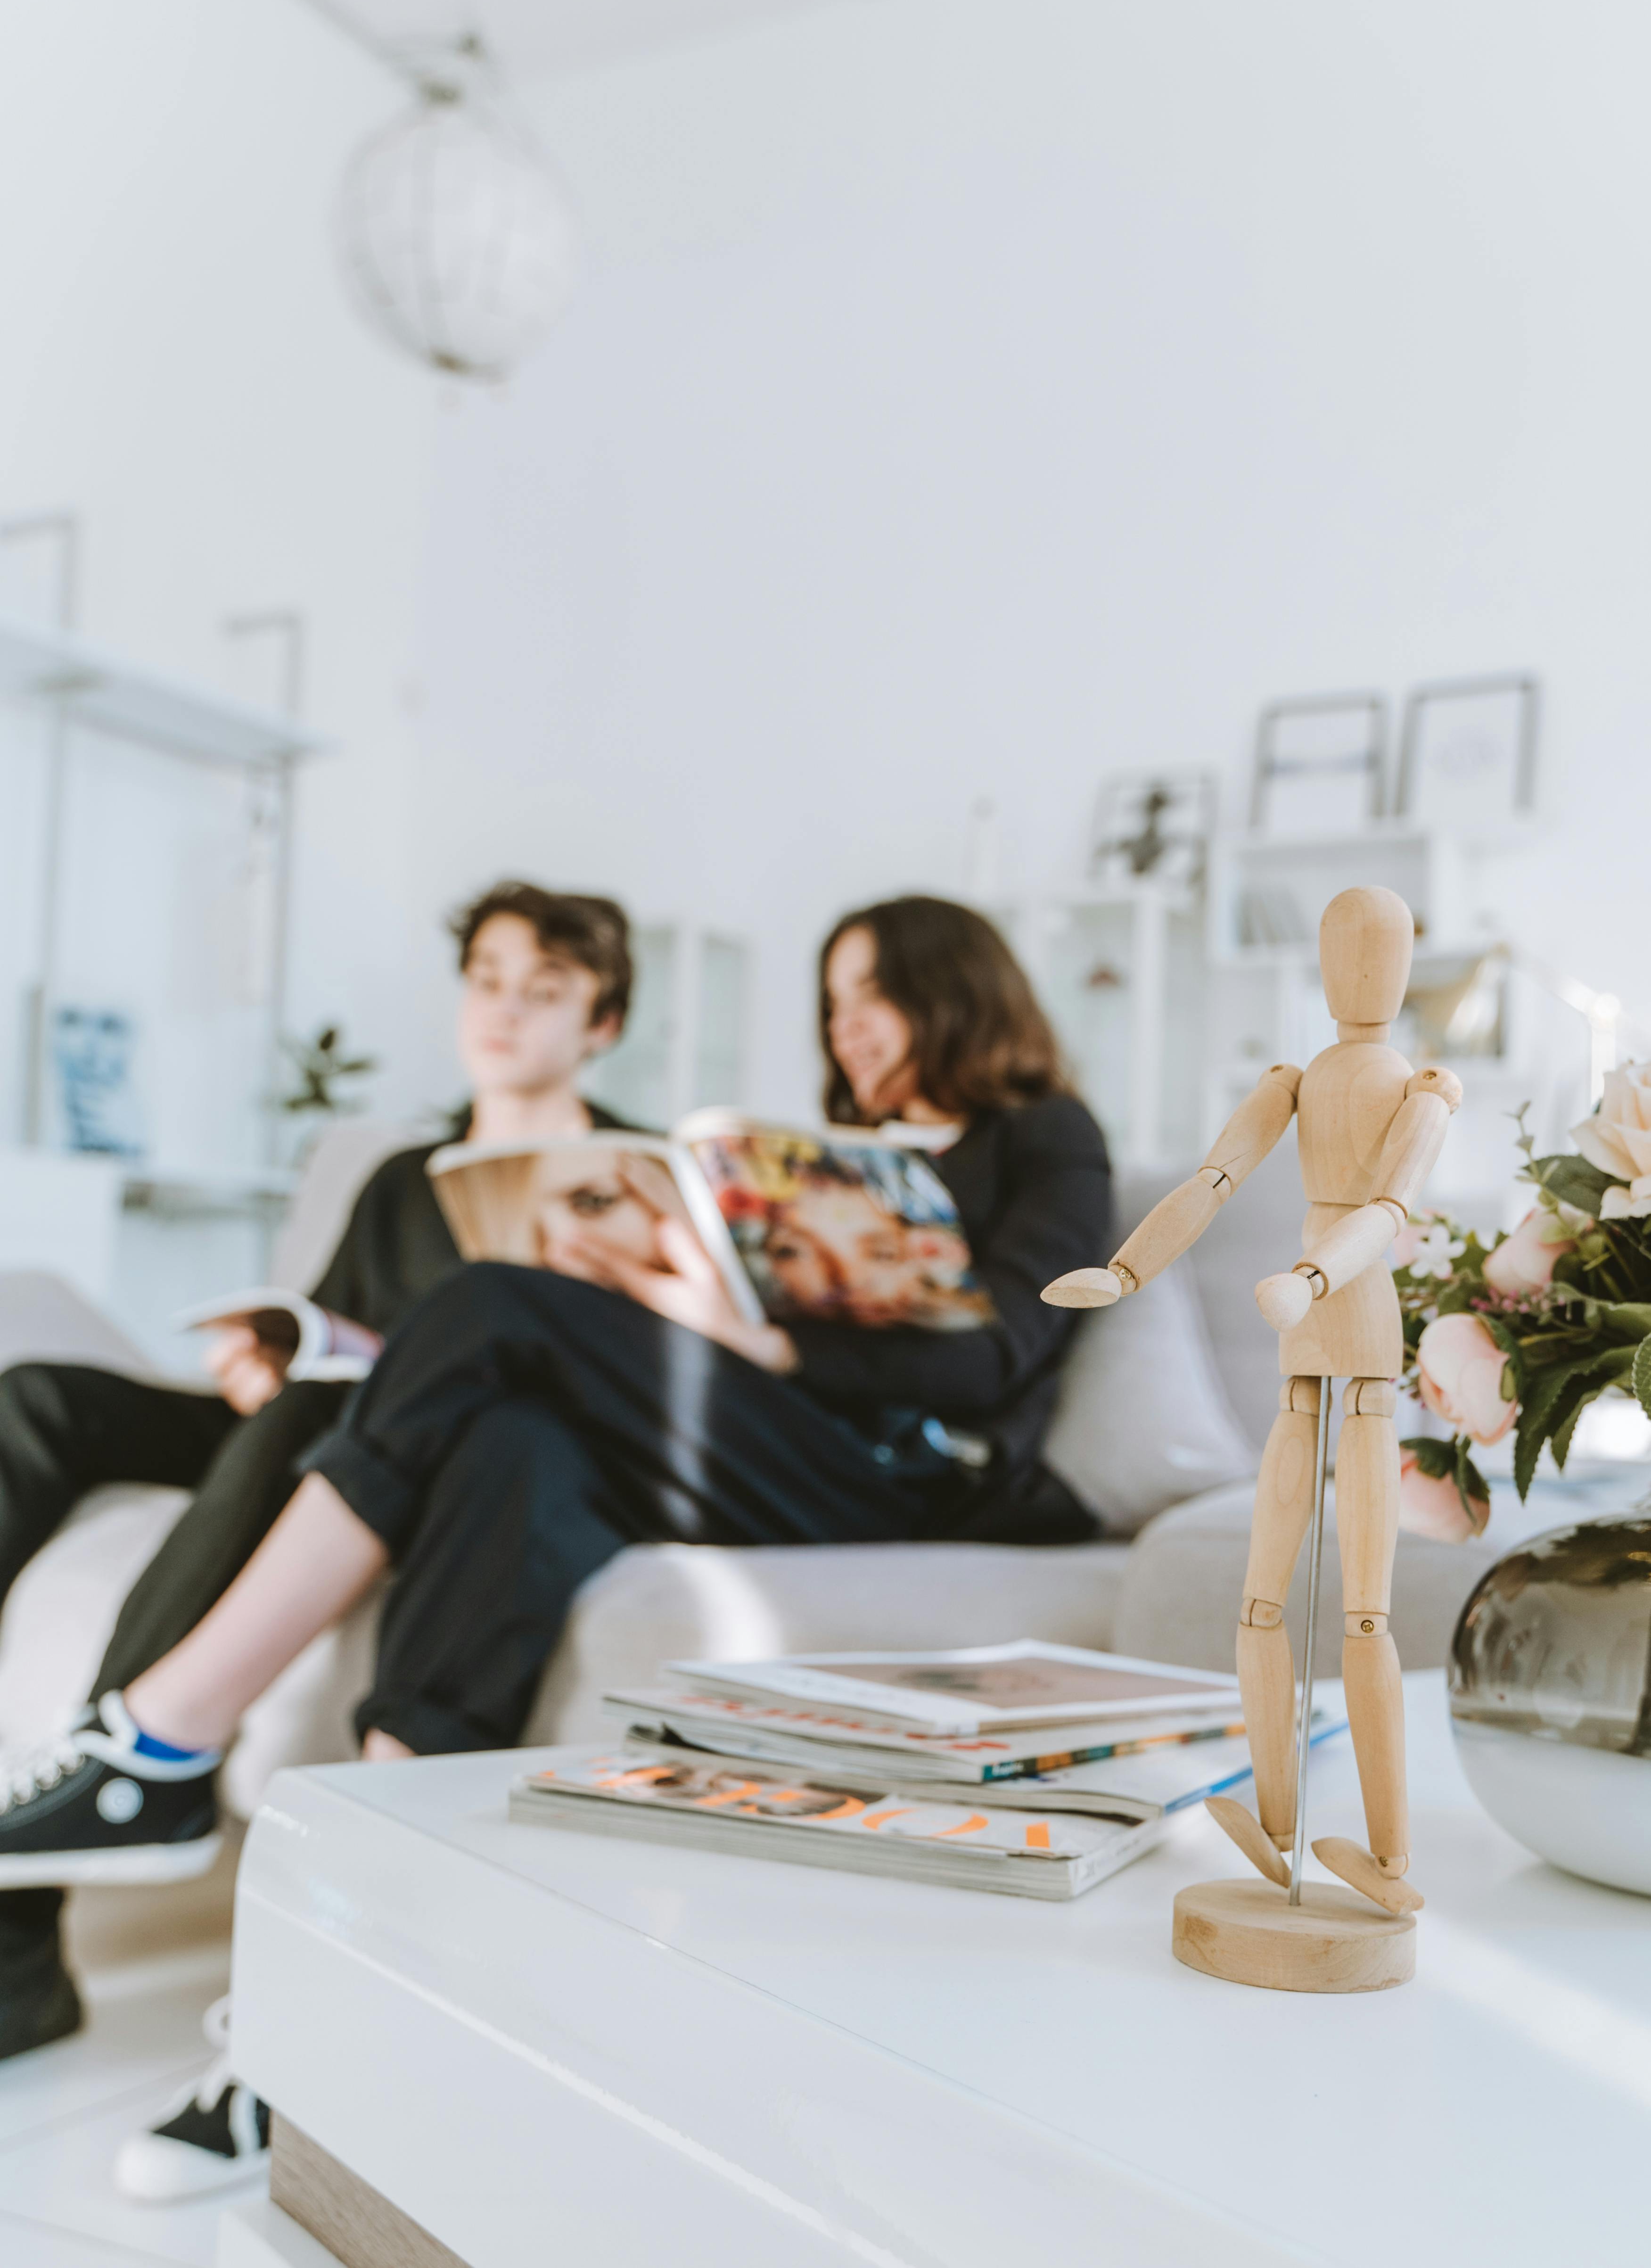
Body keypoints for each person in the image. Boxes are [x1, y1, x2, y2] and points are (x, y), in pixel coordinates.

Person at [0, 895, 1110, 2180]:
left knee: (484, 1308)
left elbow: (1005, 1353)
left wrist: (761, 1338)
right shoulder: (811, 1153)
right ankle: (324, 1985)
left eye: (878, 993)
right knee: (514, 1447)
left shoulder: (1045, 1135)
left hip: (902, 1473)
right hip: (759, 1434)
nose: (849, 1024)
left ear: (958, 992)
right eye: (833, 999)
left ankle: (163, 1736)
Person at [0, 882, 635, 2087]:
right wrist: (269, 1353)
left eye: (543, 990)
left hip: (426, 1452)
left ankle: (74, 1853)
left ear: (600, 1022)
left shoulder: (627, 1177)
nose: (504, 1011)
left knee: (325, 1405)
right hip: (314, 1418)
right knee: (38, 1395)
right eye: (487, 980)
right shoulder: (401, 1174)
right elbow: (330, 1329)